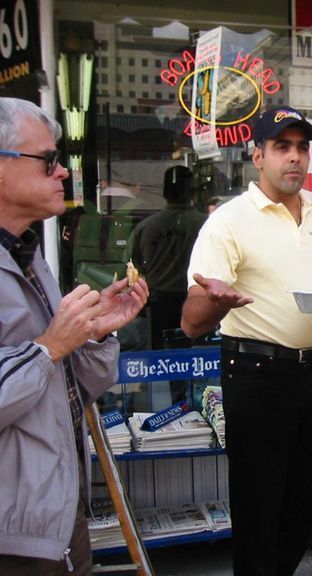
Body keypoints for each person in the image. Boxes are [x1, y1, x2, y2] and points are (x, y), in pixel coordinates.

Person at [181, 106, 312, 576]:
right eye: (282, 147)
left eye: (302, 148)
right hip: (255, 375)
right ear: (257, 156)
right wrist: (219, 301)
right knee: (259, 509)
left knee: (302, 505)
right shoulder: (228, 222)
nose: (295, 158)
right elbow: (190, 322)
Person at [0, 97, 148, 575]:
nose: (62, 172)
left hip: (58, 515)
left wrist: (96, 333)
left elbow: (77, 389)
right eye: (48, 160)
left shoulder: (30, 255)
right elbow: (44, 356)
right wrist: (50, 346)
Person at [126, 165, 206, 349]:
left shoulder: (146, 227)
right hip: (197, 302)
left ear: (164, 192)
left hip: (158, 306)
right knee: (197, 362)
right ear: (192, 192)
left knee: (160, 362)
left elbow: (134, 268)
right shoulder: (208, 225)